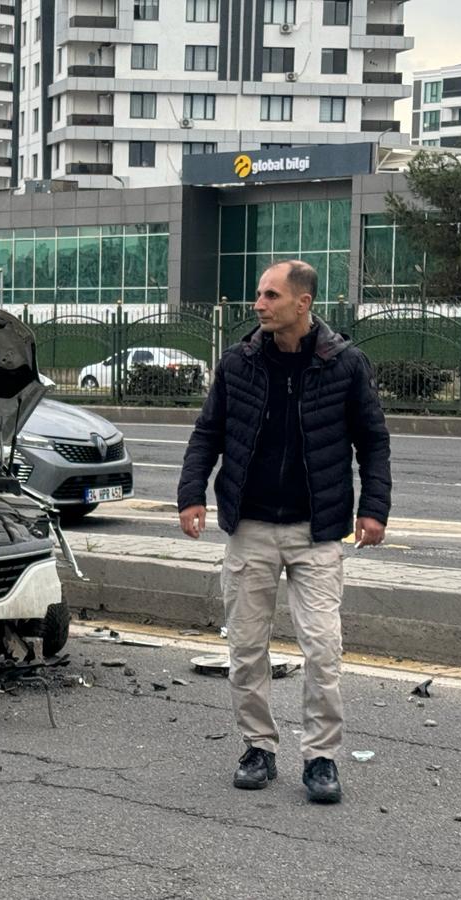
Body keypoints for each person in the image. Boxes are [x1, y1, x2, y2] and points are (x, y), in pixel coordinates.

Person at [176, 259, 391, 806]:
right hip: (249, 526)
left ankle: (321, 758)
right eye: (258, 295)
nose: (259, 304)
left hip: (317, 531)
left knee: (323, 650)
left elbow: (373, 441)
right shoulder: (239, 363)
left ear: (303, 303)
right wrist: (191, 493)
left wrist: (375, 509)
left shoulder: (345, 364)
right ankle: (258, 747)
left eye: (270, 295)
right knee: (247, 649)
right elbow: (209, 432)